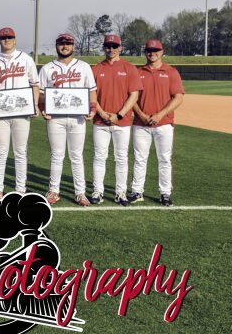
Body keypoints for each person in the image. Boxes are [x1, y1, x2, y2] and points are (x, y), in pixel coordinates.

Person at [0, 27, 40, 203]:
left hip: (22, 112)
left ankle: (20, 190)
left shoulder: (26, 59)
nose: (6, 40)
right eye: (3, 38)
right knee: (0, 151)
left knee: (20, 151)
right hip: (0, 114)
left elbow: (35, 84)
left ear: (15, 40)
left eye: (9, 37)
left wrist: (35, 104)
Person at [38, 33, 97, 207]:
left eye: (68, 43)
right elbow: (41, 94)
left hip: (77, 117)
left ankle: (80, 193)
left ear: (73, 46)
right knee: (57, 155)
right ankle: (54, 191)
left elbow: (92, 90)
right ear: (56, 46)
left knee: (76, 156)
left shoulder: (84, 67)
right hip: (55, 118)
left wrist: (92, 109)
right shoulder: (48, 68)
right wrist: (43, 109)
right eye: (62, 43)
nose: (65, 46)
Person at [130, 39, 184, 206]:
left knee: (165, 159)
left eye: (155, 50)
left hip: (164, 123)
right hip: (141, 123)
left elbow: (178, 97)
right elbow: (132, 98)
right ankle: (137, 191)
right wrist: (142, 115)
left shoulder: (171, 72)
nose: (152, 53)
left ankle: (165, 193)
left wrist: (160, 115)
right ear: (145, 52)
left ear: (161, 52)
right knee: (140, 158)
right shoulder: (137, 72)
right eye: (149, 50)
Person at [90, 34, 142, 206]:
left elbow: (134, 94)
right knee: (99, 157)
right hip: (100, 121)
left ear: (120, 48)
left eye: (114, 46)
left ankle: (121, 193)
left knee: (121, 158)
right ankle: (98, 191)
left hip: (123, 121)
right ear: (104, 48)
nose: (111, 49)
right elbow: (92, 95)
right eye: (108, 46)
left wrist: (119, 114)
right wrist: (103, 113)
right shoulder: (96, 69)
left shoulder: (129, 68)